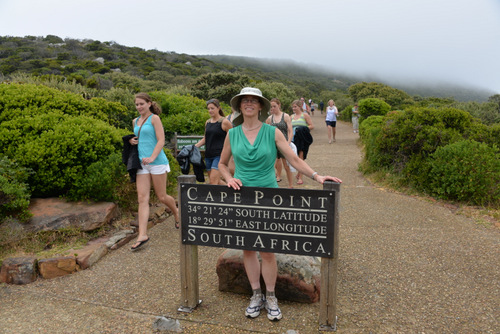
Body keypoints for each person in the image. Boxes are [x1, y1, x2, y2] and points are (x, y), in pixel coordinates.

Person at [219, 87, 342, 322]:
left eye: (253, 100)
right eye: (245, 100)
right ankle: (256, 295)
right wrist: (229, 178)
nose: (249, 103)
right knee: (248, 249)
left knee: (267, 251)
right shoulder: (232, 134)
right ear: (239, 106)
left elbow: (293, 159)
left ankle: (271, 297)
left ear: (261, 106)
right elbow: (222, 164)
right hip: (242, 198)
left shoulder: (272, 133)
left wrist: (317, 176)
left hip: (269, 197)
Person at [129, 93, 180, 251]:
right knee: (142, 198)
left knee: (162, 196)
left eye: (141, 104)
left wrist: (152, 157)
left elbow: (161, 140)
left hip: (157, 162)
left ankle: (176, 212)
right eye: (137, 104)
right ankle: (142, 235)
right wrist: (132, 140)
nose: (139, 107)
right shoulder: (135, 121)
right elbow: (139, 140)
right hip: (141, 163)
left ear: (149, 103)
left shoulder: (155, 119)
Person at [195, 99, 232, 185]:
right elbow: (205, 138)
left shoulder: (224, 122)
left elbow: (233, 138)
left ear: (218, 108)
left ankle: (215, 198)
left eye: (212, 108)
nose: (210, 110)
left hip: (219, 155)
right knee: (217, 181)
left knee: (212, 182)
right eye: (208, 109)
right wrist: (194, 147)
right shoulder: (207, 122)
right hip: (208, 155)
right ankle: (232, 192)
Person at [266, 98, 294, 188]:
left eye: (274, 106)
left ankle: (290, 185)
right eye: (271, 107)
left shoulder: (285, 116)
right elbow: (267, 131)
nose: (273, 108)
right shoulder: (270, 118)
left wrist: (288, 143)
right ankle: (275, 180)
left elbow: (290, 131)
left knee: (286, 165)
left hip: (284, 143)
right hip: (273, 144)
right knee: (274, 163)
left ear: (279, 105)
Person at [291, 99, 314, 185]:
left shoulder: (305, 115)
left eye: (295, 107)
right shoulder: (291, 117)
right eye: (292, 107)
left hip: (302, 138)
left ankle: (300, 178)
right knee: (295, 157)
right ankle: (299, 173)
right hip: (293, 139)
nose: (293, 108)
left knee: (301, 157)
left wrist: (302, 129)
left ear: (300, 106)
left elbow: (312, 126)